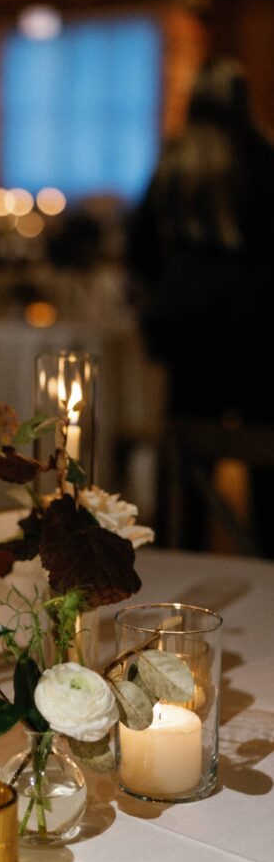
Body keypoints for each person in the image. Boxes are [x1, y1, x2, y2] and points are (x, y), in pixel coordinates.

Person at [127, 57, 274, 553]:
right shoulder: (263, 158)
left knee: (186, 459)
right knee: (264, 456)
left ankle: (178, 557)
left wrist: (168, 287)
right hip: (257, 329)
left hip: (187, 328)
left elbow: (139, 248)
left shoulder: (174, 164)